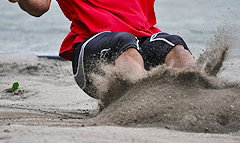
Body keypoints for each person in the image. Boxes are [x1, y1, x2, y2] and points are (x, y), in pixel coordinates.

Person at [9, 0, 196, 98]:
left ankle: (199, 95)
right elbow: (39, 5)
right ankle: (144, 103)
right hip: (91, 49)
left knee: (174, 45)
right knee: (124, 42)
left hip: (142, 39)